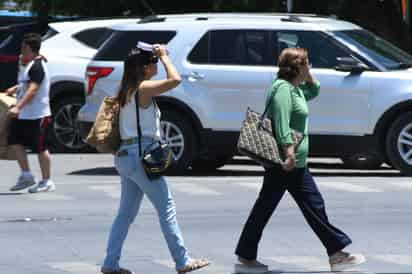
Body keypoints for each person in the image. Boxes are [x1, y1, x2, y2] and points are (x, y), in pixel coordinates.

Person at [234, 48, 366, 272]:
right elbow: (282, 124)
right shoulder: (283, 90)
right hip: (287, 162)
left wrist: (308, 74)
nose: (310, 67)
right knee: (306, 206)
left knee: (286, 207)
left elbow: (314, 90)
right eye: (307, 64)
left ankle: (246, 256)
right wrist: (289, 153)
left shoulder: (295, 89)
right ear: (298, 67)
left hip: (295, 162)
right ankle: (335, 253)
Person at [101, 44, 209, 274]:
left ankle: (110, 264)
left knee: (125, 214)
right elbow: (176, 79)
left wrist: (158, 55)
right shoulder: (144, 88)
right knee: (166, 208)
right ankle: (182, 261)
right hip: (141, 158)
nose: (157, 65)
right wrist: (165, 57)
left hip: (126, 157)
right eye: (154, 62)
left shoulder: (126, 88)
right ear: (144, 68)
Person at [5, 33, 55, 193]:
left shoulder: (37, 66)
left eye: (23, 47)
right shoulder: (29, 64)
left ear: (30, 49)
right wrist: (16, 88)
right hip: (25, 114)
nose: (21, 50)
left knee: (41, 148)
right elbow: (26, 84)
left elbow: (33, 90)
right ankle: (26, 175)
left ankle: (47, 181)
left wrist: (17, 107)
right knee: (13, 140)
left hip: (38, 115)